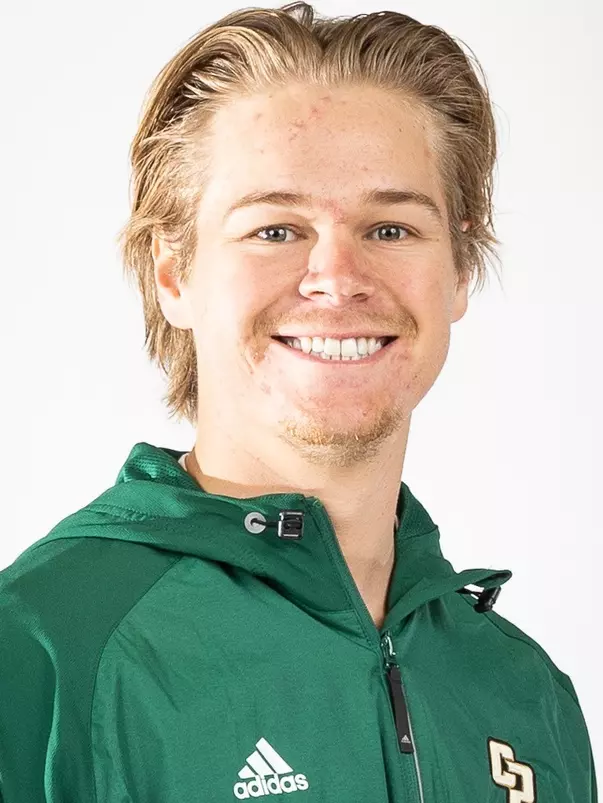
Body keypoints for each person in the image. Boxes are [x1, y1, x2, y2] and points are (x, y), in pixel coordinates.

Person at [0, 2, 597, 801]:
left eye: (390, 229)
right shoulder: (39, 651)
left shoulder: (524, 692)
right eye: (275, 229)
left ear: (457, 270)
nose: (337, 276)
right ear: (173, 273)